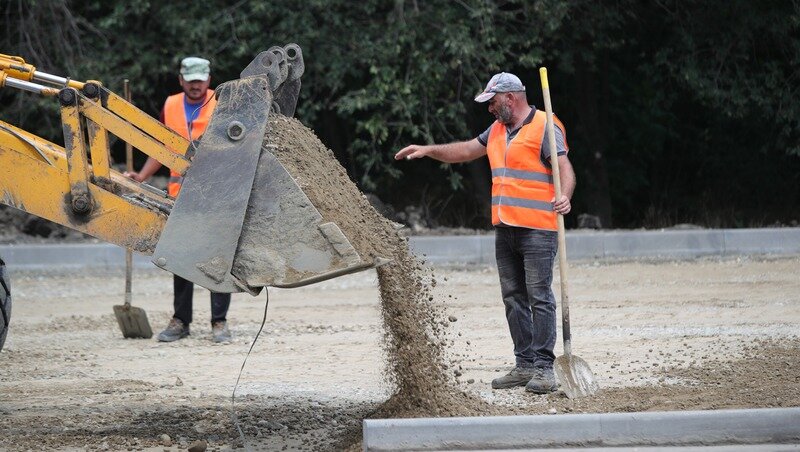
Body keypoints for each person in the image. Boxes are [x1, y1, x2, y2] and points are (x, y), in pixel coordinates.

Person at [395, 72, 576, 393]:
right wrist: (428, 150)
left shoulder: (545, 126)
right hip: (505, 228)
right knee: (514, 299)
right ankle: (524, 365)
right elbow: (465, 151)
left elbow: (564, 168)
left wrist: (566, 196)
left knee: (540, 298)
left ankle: (545, 369)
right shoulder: (496, 130)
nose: (490, 108)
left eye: (493, 102)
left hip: (538, 228)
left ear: (510, 97)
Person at [125, 56, 232, 344]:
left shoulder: (223, 103)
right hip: (181, 199)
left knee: (217, 259)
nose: (195, 85)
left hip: (216, 197)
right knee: (180, 259)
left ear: (208, 80)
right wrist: (142, 177)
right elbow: (162, 147)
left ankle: (219, 323)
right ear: (181, 80)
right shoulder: (171, 105)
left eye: (200, 80)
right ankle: (180, 321)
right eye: (190, 80)